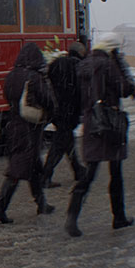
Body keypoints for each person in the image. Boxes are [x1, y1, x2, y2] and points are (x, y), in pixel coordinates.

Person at [64, 33, 135, 237]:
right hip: (110, 122)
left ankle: (72, 215)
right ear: (113, 49)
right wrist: (122, 68)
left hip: (91, 123)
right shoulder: (109, 65)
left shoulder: (85, 65)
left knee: (89, 172)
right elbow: (124, 89)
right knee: (116, 173)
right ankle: (119, 217)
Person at [0, 43, 55, 224]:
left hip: (14, 125)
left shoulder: (11, 76)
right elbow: (47, 100)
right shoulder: (34, 77)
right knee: (17, 169)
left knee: (32, 166)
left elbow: (8, 96)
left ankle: (41, 204)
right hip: (29, 128)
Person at [42, 42, 87, 189]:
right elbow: (82, 90)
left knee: (66, 140)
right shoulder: (78, 65)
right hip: (71, 110)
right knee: (59, 144)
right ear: (80, 52)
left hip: (56, 110)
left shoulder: (56, 63)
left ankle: (78, 170)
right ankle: (45, 176)